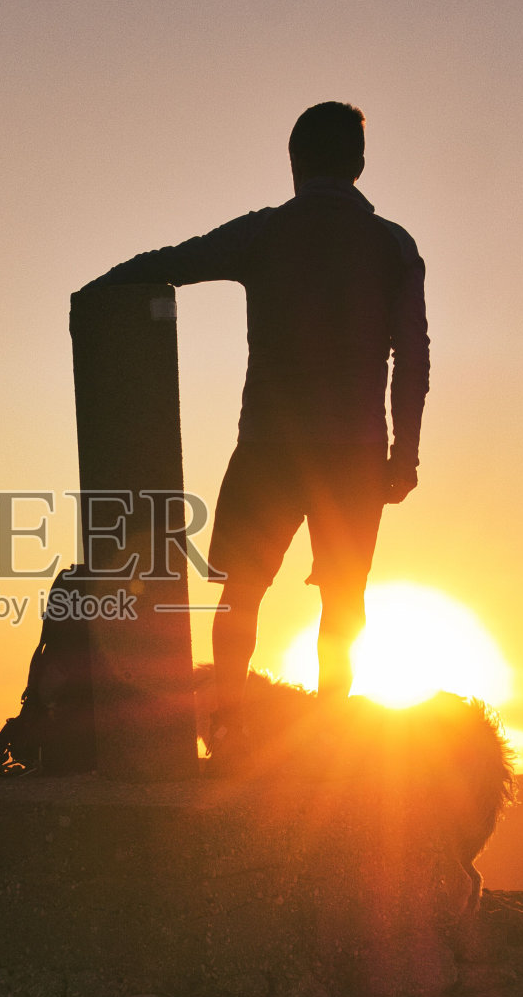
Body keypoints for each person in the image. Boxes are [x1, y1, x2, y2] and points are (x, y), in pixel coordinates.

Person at [81, 102, 430, 774]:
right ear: (357, 164)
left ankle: (229, 725)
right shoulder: (392, 246)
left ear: (296, 164)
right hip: (354, 456)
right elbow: (410, 357)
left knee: (241, 591)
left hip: (270, 446)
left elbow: (170, 262)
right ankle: (332, 740)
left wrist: (101, 290)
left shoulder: (265, 234)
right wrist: (403, 455)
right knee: (344, 602)